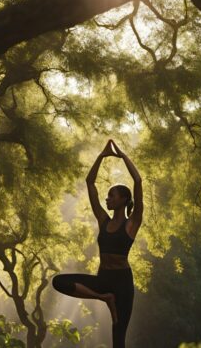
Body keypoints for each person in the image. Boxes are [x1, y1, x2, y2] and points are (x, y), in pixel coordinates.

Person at [52, 139, 143, 348]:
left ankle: (109, 298)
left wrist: (122, 155)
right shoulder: (103, 220)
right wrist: (101, 157)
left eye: (111, 196)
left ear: (123, 199)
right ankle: (104, 298)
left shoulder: (133, 223)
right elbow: (90, 183)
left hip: (123, 284)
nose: (107, 199)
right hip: (104, 280)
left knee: (118, 339)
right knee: (59, 282)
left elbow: (138, 182)